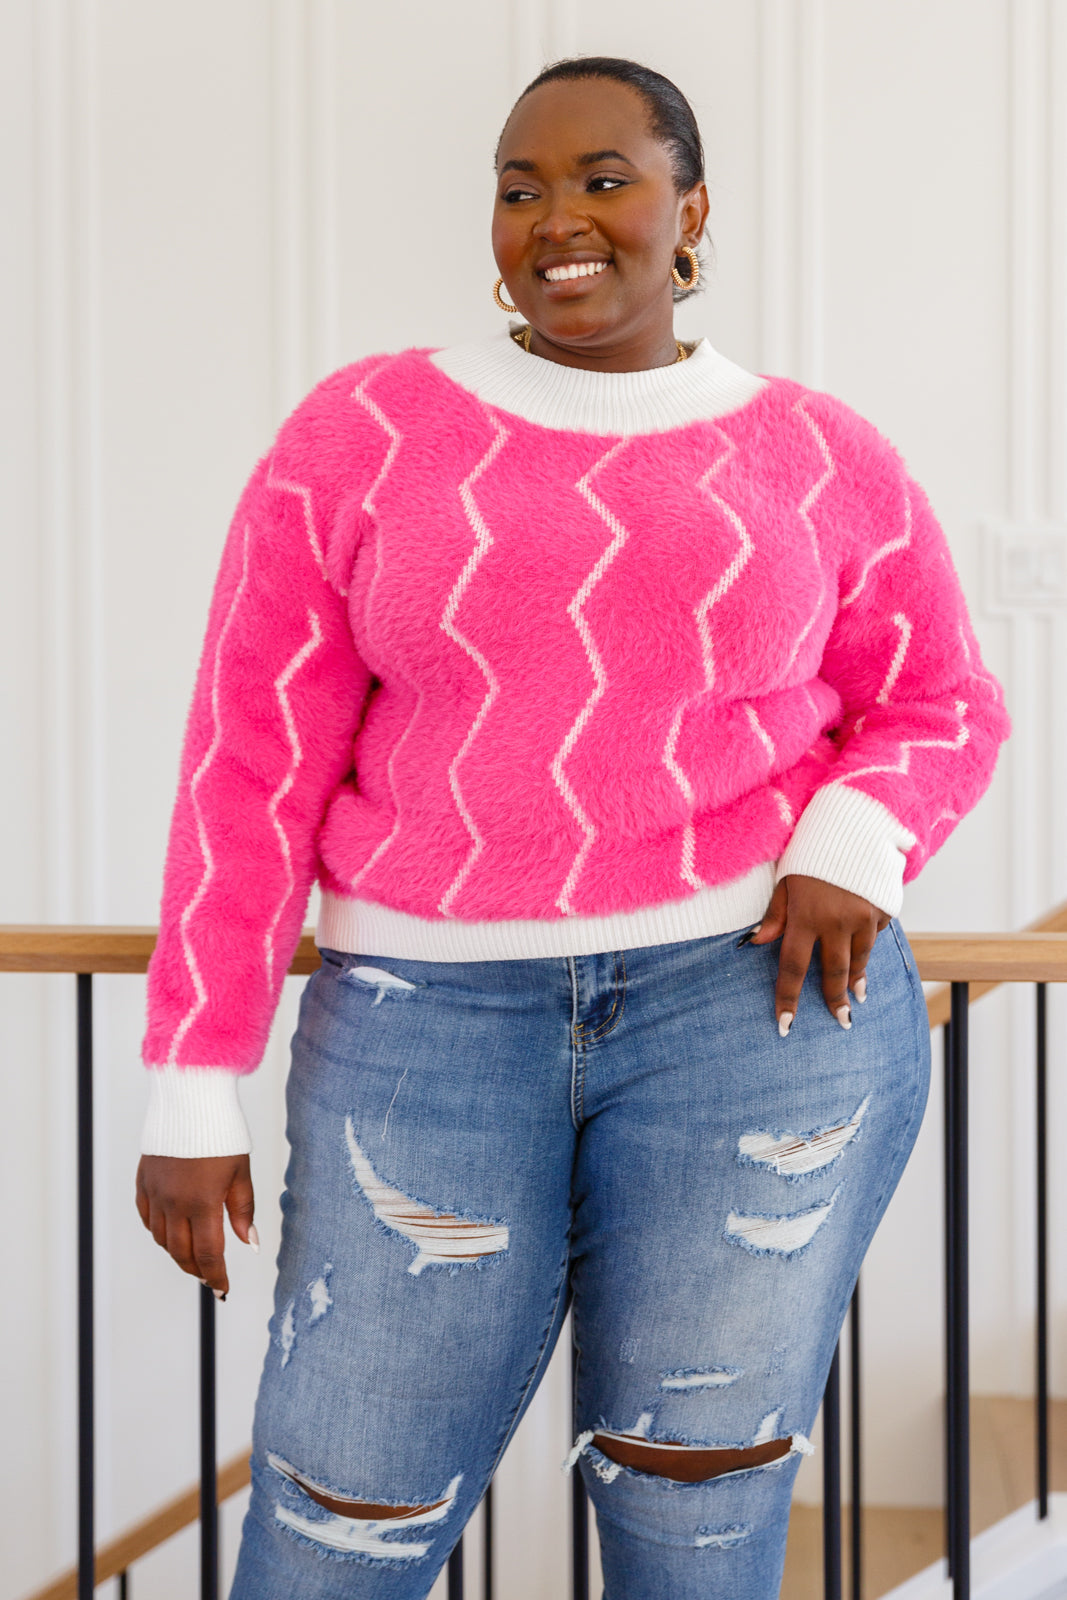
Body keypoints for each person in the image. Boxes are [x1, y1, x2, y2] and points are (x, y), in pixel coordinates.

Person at [135, 55, 1009, 1600]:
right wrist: (193, 1083)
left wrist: (853, 843)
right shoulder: (366, 434)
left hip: (752, 1012)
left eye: (604, 178)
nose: (559, 220)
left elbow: (941, 699)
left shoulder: (816, 453)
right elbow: (249, 765)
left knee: (702, 1506)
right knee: (346, 1505)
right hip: (422, 1021)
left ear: (691, 211)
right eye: (521, 187)